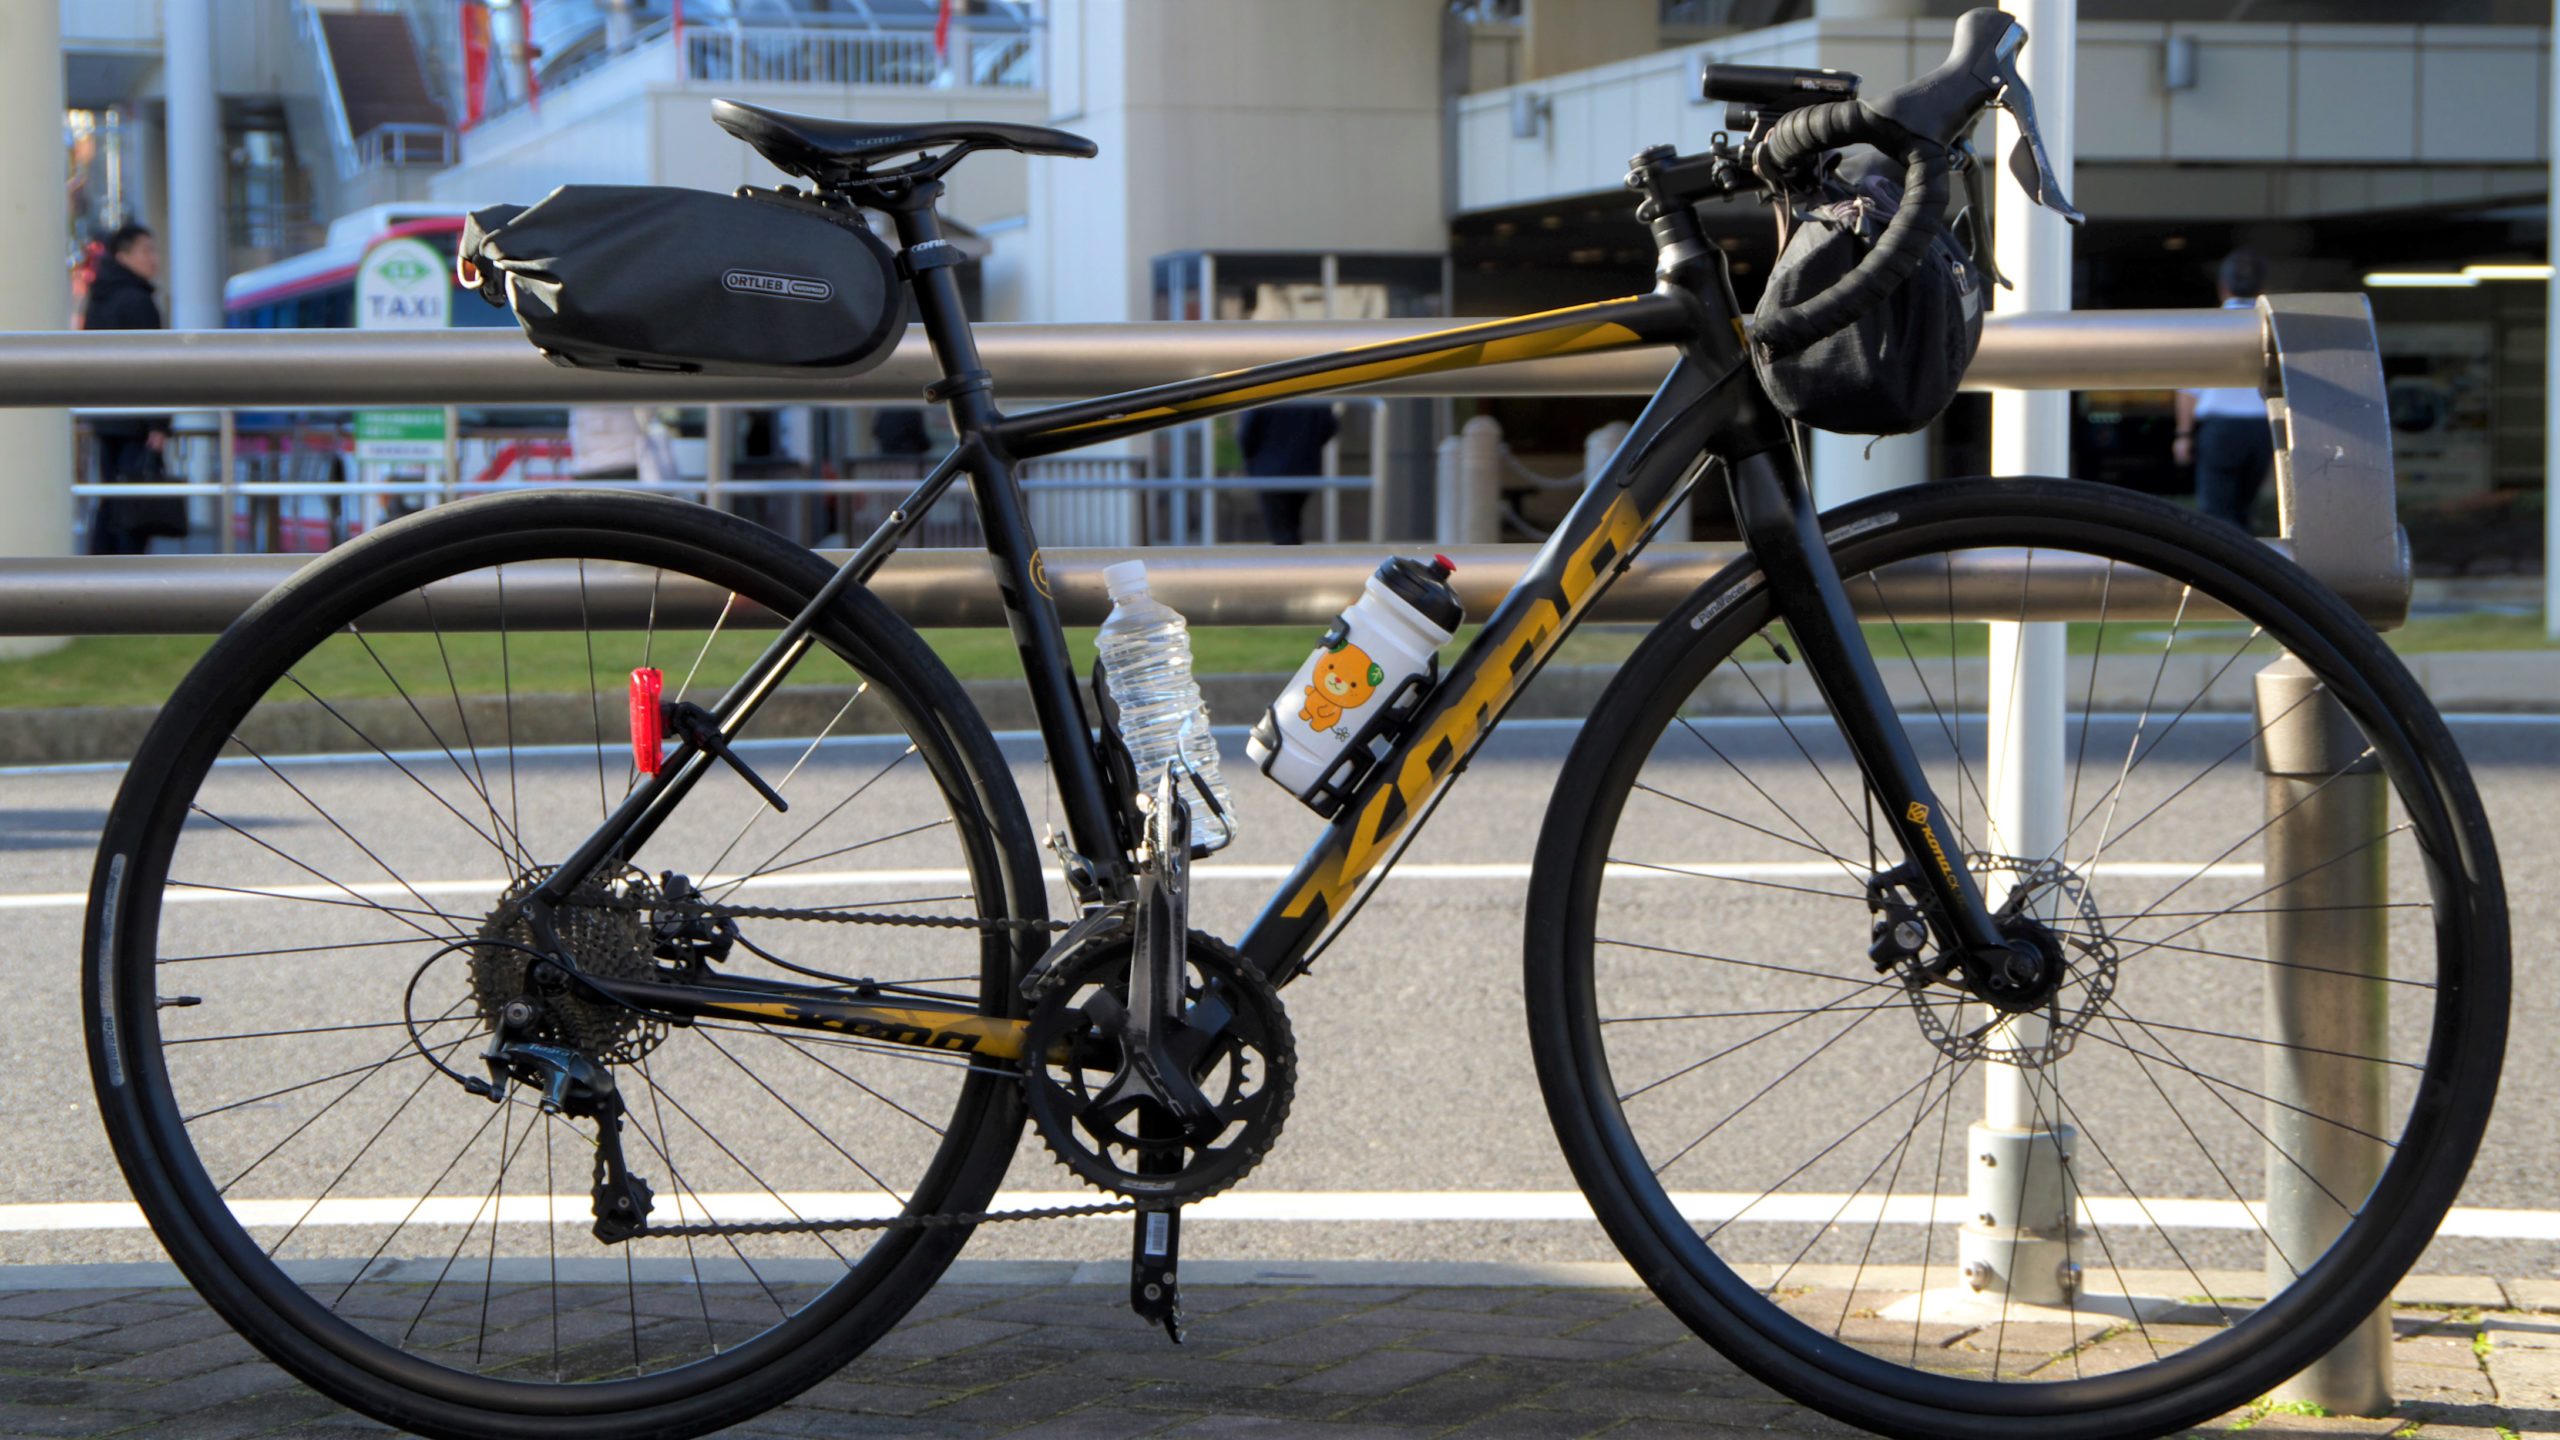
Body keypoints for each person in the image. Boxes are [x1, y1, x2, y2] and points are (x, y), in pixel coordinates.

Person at [83, 223, 185, 554]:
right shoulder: (139, 300)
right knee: (136, 508)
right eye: (146, 251)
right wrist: (159, 423)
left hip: (105, 417)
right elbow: (156, 365)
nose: (153, 259)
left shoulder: (99, 298)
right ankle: (130, 580)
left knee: (112, 500)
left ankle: (100, 575)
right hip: (137, 421)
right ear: (123, 255)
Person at [2175, 248, 2275, 530]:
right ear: (2264, 289)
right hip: (2262, 428)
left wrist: (2183, 434)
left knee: (2215, 513)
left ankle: (2219, 570)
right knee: (2245, 509)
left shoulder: (2205, 327)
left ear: (2223, 288)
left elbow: (2188, 388)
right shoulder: (2272, 328)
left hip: (2219, 429)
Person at [1239, 402, 1338, 545]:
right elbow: (1329, 427)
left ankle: (1292, 563)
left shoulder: (1265, 395)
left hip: (1270, 473)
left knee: (1282, 530)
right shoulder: (1314, 395)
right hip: (1304, 468)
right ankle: (1295, 559)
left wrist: (1253, 460)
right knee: (1290, 525)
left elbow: (1247, 433)